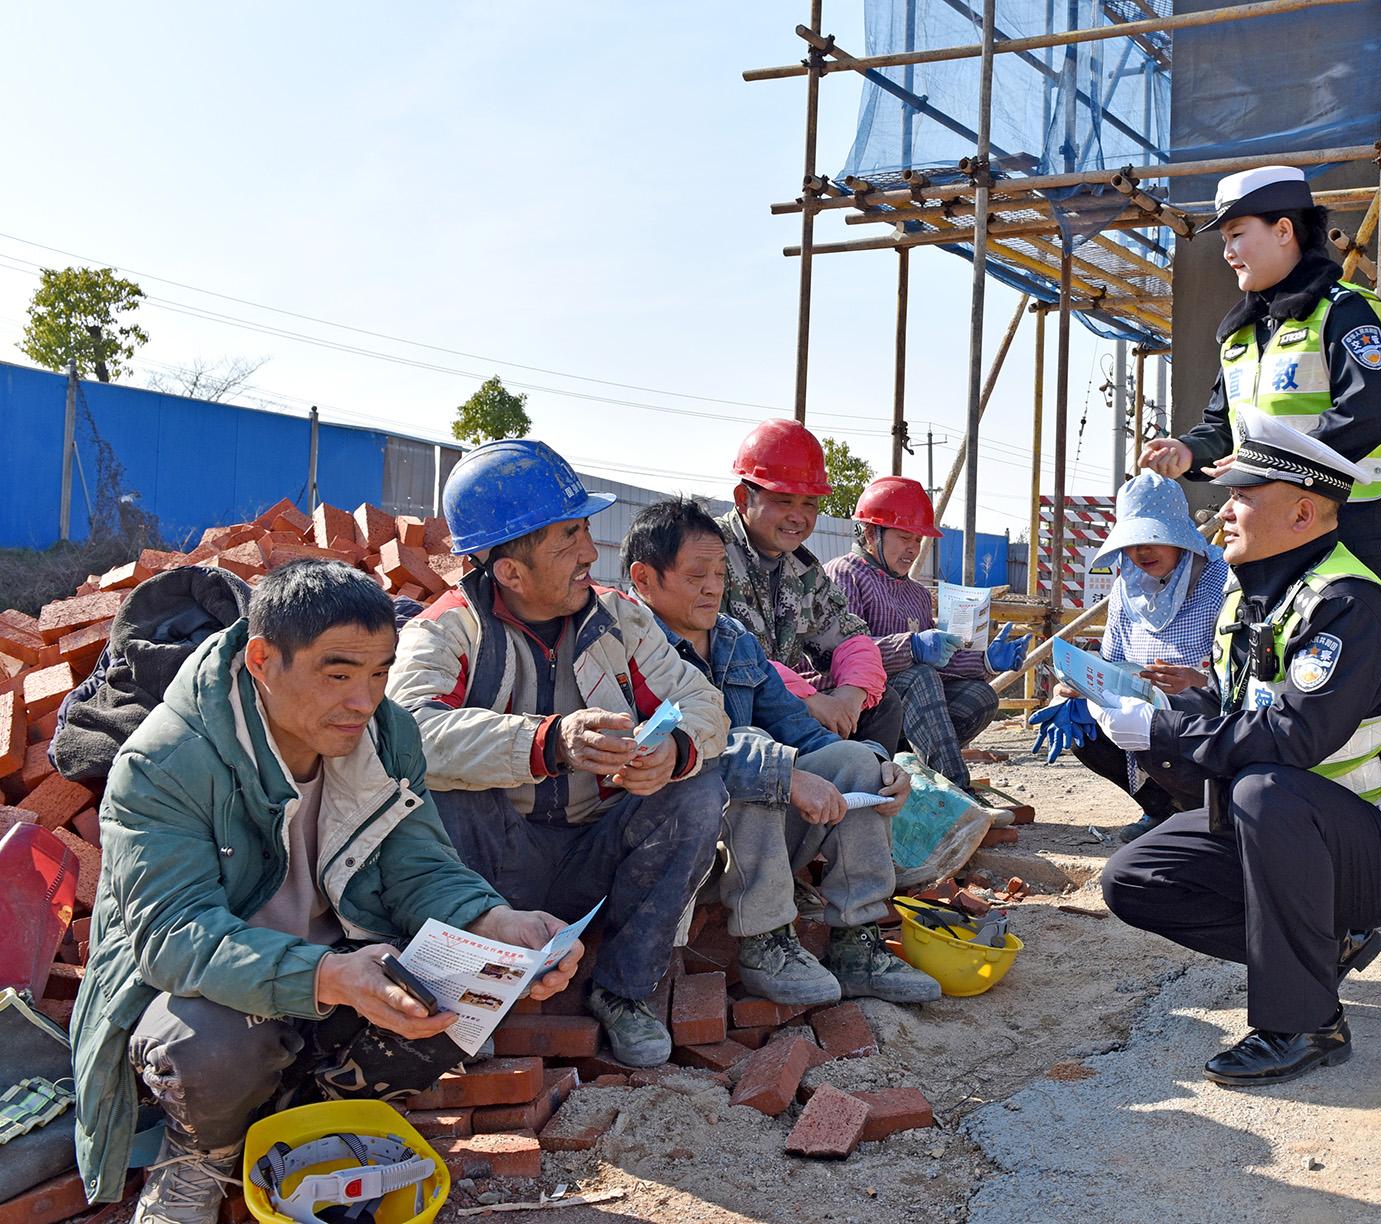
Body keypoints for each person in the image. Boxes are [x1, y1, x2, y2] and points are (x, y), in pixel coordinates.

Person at [70, 561, 585, 1223]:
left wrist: (492, 922)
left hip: (339, 966)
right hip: (213, 988)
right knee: (212, 1044)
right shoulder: (164, 763)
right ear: (262, 660)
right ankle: (200, 1157)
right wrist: (332, 977)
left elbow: (419, 866)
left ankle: (317, 1119)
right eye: (338, 675)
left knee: (468, 985)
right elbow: (175, 940)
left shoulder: (387, 734)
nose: (363, 701)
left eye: (379, 674)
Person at [1094, 413, 1381, 1087]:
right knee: (1137, 878)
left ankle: (1304, 1022)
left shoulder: (1345, 603)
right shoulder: (1252, 596)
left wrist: (1161, 734)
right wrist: (1142, 707)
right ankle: (1323, 949)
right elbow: (1233, 708)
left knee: (1264, 788)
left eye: (1242, 497)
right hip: (1294, 838)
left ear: (1302, 513)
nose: (1223, 512)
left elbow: (1292, 737)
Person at [388, 440, 729, 1068]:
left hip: (593, 855)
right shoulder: (445, 629)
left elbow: (703, 702)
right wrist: (547, 742)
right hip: (493, 865)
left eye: (585, 531)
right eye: (569, 538)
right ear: (510, 573)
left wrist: (675, 749)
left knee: (698, 788)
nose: (590, 552)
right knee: (435, 794)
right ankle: (462, 994)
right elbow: (406, 734)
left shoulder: (621, 618)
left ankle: (624, 991)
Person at [623, 498, 942, 1005]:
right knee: (758, 759)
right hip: (669, 843)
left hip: (755, 843)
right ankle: (765, 942)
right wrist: (779, 771)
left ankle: (857, 942)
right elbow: (658, 757)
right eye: (696, 575)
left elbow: (802, 732)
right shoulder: (624, 648)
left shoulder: (735, 642)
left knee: (855, 761)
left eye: (720, 573)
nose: (713, 588)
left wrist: (880, 767)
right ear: (644, 579)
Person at [1140, 164, 1381, 582]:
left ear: (1283, 230)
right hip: (1262, 528)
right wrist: (1188, 450)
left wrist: (1272, 463)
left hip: (1341, 524)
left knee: (1339, 624)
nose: (1227, 252)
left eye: (1236, 234)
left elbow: (1368, 415)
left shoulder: (1345, 312)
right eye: (1224, 240)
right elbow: (1224, 428)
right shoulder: (1239, 334)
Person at [1029, 473, 1229, 843]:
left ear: (1180, 537)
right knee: (1082, 723)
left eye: (1153, 538)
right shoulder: (1127, 586)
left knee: (1178, 720)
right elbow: (1113, 658)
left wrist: (1198, 681)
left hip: (1206, 714)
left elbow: (1244, 671)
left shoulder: (1223, 579)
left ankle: (1208, 811)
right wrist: (1081, 685)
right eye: (1132, 542)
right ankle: (1160, 808)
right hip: (1142, 712)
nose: (1141, 552)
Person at [824, 476, 1029, 801]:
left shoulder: (917, 594)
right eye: (904, 537)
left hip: (910, 714)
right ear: (871, 533)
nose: (913, 548)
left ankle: (917, 774)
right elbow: (841, 653)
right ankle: (955, 795)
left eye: (918, 540)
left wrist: (986, 661)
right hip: (856, 711)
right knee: (919, 676)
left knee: (979, 696)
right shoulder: (844, 575)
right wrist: (912, 647)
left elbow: (938, 660)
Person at [715, 419, 900, 750]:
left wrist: (850, 697)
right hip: (727, 707)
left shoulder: (803, 570)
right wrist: (810, 700)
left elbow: (849, 637)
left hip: (784, 703)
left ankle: (866, 780)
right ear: (743, 498)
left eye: (809, 504)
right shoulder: (707, 551)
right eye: (783, 501)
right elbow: (719, 654)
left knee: (883, 704)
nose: (797, 516)